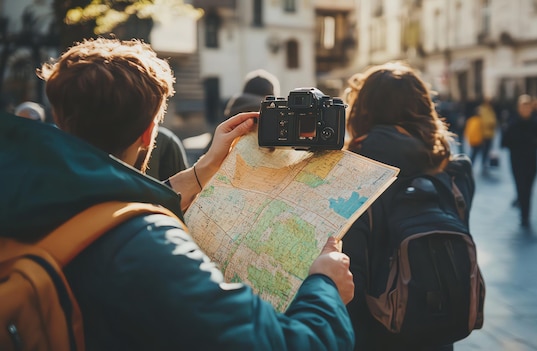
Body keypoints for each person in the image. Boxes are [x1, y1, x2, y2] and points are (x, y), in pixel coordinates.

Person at [0, 38, 355, 350]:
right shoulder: (148, 247)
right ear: (148, 131)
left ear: (59, 114)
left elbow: (102, 202)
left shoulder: (23, 195)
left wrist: (202, 171)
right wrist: (325, 286)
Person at [342, 61, 472, 351]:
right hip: (438, 329)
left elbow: (351, 279)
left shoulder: (357, 173)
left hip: (375, 334)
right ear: (425, 108)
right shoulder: (454, 172)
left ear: (363, 111)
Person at [501, 94, 537, 228]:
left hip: (531, 159)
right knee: (521, 187)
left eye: (528, 106)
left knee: (528, 188)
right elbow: (505, 141)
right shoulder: (512, 122)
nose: (526, 109)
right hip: (516, 160)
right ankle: (524, 215)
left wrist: (535, 143)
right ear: (518, 108)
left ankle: (525, 212)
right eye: (523, 106)